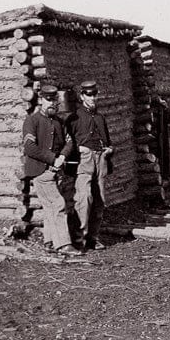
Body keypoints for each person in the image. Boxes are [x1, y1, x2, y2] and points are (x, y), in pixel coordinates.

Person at [22, 85, 78, 255]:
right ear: (41, 100)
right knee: (58, 204)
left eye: (54, 99)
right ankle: (63, 245)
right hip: (41, 171)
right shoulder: (32, 120)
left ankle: (49, 241)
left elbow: (69, 142)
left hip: (56, 171)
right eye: (48, 99)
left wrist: (62, 157)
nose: (52, 103)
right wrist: (53, 158)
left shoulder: (59, 122)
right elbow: (30, 147)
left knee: (49, 207)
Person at [66, 80, 114, 249]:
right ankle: (80, 238)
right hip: (84, 161)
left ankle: (93, 237)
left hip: (100, 159)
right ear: (82, 96)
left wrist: (109, 150)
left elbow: (108, 140)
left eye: (94, 94)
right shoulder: (74, 118)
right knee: (84, 197)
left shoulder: (100, 118)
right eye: (88, 94)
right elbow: (68, 144)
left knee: (100, 200)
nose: (92, 98)